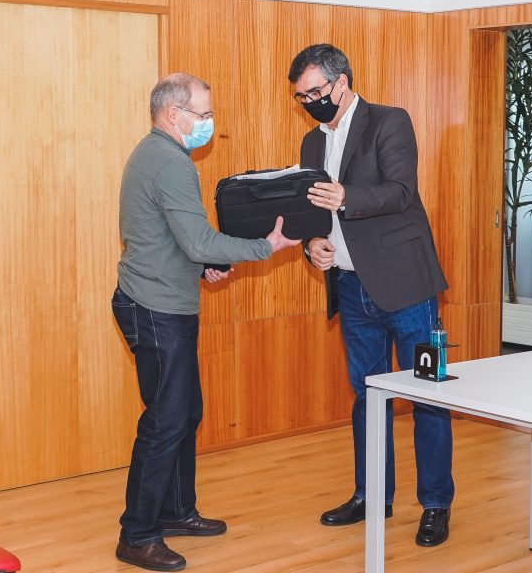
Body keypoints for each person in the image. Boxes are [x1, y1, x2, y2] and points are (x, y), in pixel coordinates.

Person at [112, 72, 298, 572]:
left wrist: (203, 264)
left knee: (184, 412)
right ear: (174, 114)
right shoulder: (168, 161)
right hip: (155, 306)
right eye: (203, 113)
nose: (209, 123)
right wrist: (266, 247)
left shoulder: (162, 155)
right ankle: (138, 535)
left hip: (164, 301)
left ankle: (174, 512)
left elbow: (174, 238)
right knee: (165, 420)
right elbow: (197, 240)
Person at [289, 44, 454, 547]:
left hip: (408, 289)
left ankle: (435, 505)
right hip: (351, 289)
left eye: (316, 92)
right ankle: (371, 495)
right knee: (367, 398)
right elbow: (313, 218)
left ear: (342, 83)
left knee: (428, 396)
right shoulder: (311, 144)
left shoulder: (389, 121)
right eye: (301, 97)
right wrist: (313, 245)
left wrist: (348, 198)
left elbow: (402, 191)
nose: (309, 102)